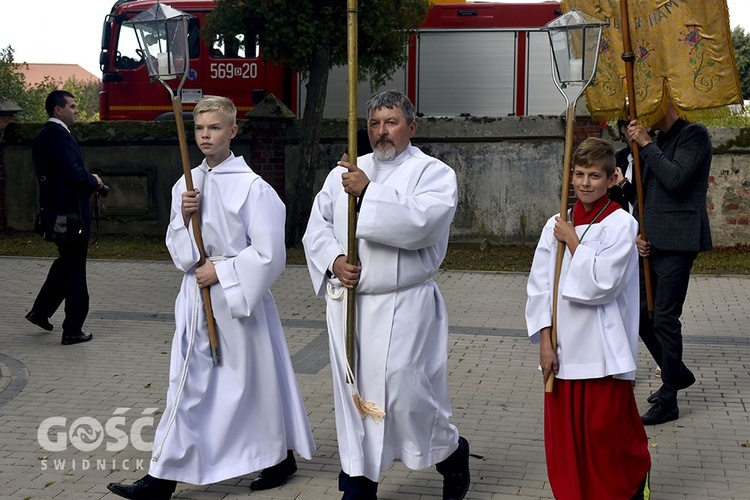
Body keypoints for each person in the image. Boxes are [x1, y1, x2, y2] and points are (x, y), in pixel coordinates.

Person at [107, 96, 315, 499]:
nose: (205, 135)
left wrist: (220, 270)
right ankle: (161, 478)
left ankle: (276, 457)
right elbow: (178, 250)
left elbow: (270, 254)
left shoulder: (254, 188)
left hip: (237, 302)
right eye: (200, 128)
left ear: (232, 132)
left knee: (250, 383)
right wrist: (185, 219)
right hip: (196, 300)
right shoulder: (185, 185)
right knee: (188, 386)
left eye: (215, 128)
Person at [302, 89, 470, 500]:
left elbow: (420, 226)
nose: (381, 132)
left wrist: (367, 193)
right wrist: (334, 260)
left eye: (391, 123)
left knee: (405, 394)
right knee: (354, 396)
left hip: (404, 303)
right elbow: (316, 226)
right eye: (374, 123)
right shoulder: (346, 170)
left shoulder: (434, 173)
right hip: (350, 304)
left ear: (411, 127)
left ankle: (450, 452)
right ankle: (358, 482)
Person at [526, 137, 651, 499]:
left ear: (612, 180)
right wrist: (545, 343)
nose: (584, 183)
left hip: (601, 350)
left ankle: (629, 482)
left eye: (594, 176)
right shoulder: (557, 224)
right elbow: (539, 288)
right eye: (578, 174)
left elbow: (603, 285)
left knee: (605, 434)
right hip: (563, 350)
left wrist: (575, 242)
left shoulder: (621, 225)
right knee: (565, 440)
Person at [626, 96, 712, 425]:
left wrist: (646, 143)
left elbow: (675, 179)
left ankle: (669, 399)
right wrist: (638, 232)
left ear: (666, 102)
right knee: (640, 315)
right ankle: (677, 372)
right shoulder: (658, 142)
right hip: (650, 241)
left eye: (650, 104)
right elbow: (640, 193)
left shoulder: (694, 135)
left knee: (664, 318)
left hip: (678, 241)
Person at [26, 90, 104, 345]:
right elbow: (73, 174)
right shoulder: (58, 135)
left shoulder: (44, 136)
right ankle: (72, 329)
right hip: (70, 216)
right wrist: (94, 181)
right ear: (58, 110)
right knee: (75, 272)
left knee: (65, 264)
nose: (76, 110)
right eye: (71, 106)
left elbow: (58, 176)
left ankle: (40, 311)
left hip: (56, 212)